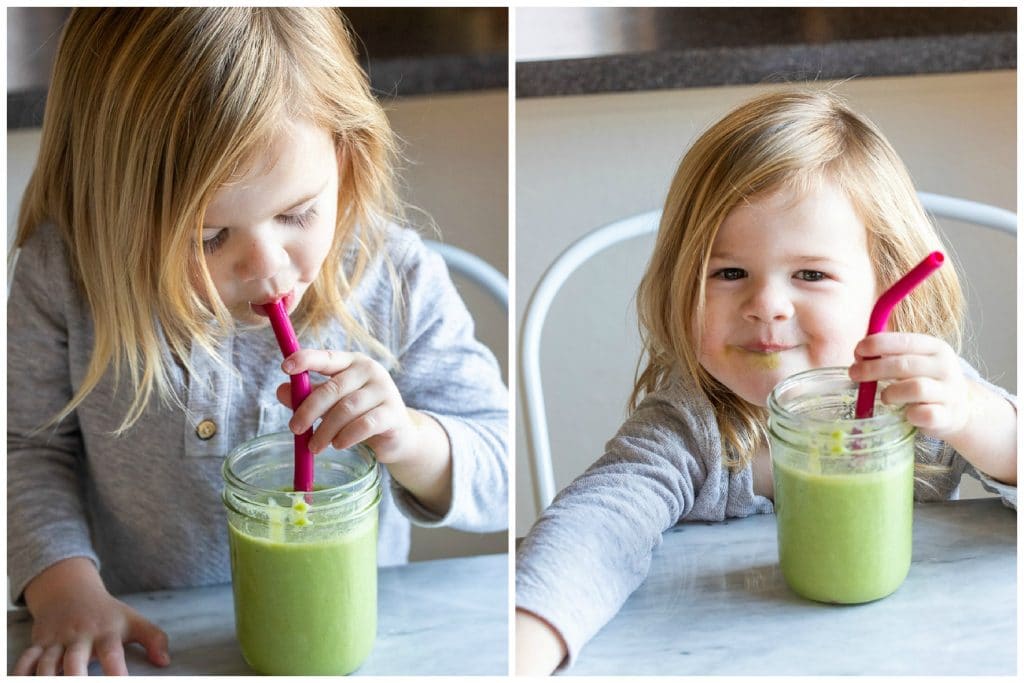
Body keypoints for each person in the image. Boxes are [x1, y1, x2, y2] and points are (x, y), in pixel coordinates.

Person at [7, 8, 508, 676]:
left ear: (346, 153)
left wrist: (409, 435)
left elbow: (500, 469)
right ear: (113, 212)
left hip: (343, 651)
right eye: (210, 236)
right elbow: (25, 451)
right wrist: (64, 588)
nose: (266, 265)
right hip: (148, 644)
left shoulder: (394, 278)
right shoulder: (68, 278)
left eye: (298, 213)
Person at [514, 89, 1017, 675]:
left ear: (884, 283)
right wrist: (526, 645)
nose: (767, 305)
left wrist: (975, 417)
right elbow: (596, 532)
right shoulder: (690, 430)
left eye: (810, 273)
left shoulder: (915, 397)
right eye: (729, 272)